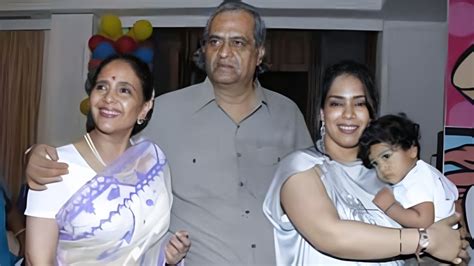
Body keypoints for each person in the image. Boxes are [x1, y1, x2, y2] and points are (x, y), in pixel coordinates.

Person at [24, 1, 313, 265]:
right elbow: (106, 150)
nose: (224, 52)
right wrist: (34, 155)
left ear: (259, 52)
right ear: (204, 49)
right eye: (215, 41)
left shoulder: (288, 115)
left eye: (238, 42)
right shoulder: (162, 113)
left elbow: (318, 191)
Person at [263, 60, 469, 265]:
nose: (349, 113)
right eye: (336, 103)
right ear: (322, 113)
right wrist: (425, 240)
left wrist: (449, 246)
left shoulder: (388, 174)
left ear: (371, 114)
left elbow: (431, 237)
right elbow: (332, 236)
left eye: (359, 103)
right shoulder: (301, 167)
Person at [24, 54, 189, 265]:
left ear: (145, 107)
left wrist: (165, 255)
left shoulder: (151, 164)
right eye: (101, 87)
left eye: (124, 90)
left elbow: (142, 240)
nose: (109, 98)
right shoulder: (55, 166)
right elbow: (37, 260)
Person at [358, 113, 459, 229]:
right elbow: (454, 196)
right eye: (375, 163)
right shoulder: (427, 171)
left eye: (386, 156)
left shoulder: (416, 179)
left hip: (438, 241)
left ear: (412, 151)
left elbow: (424, 222)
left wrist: (390, 206)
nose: (382, 167)